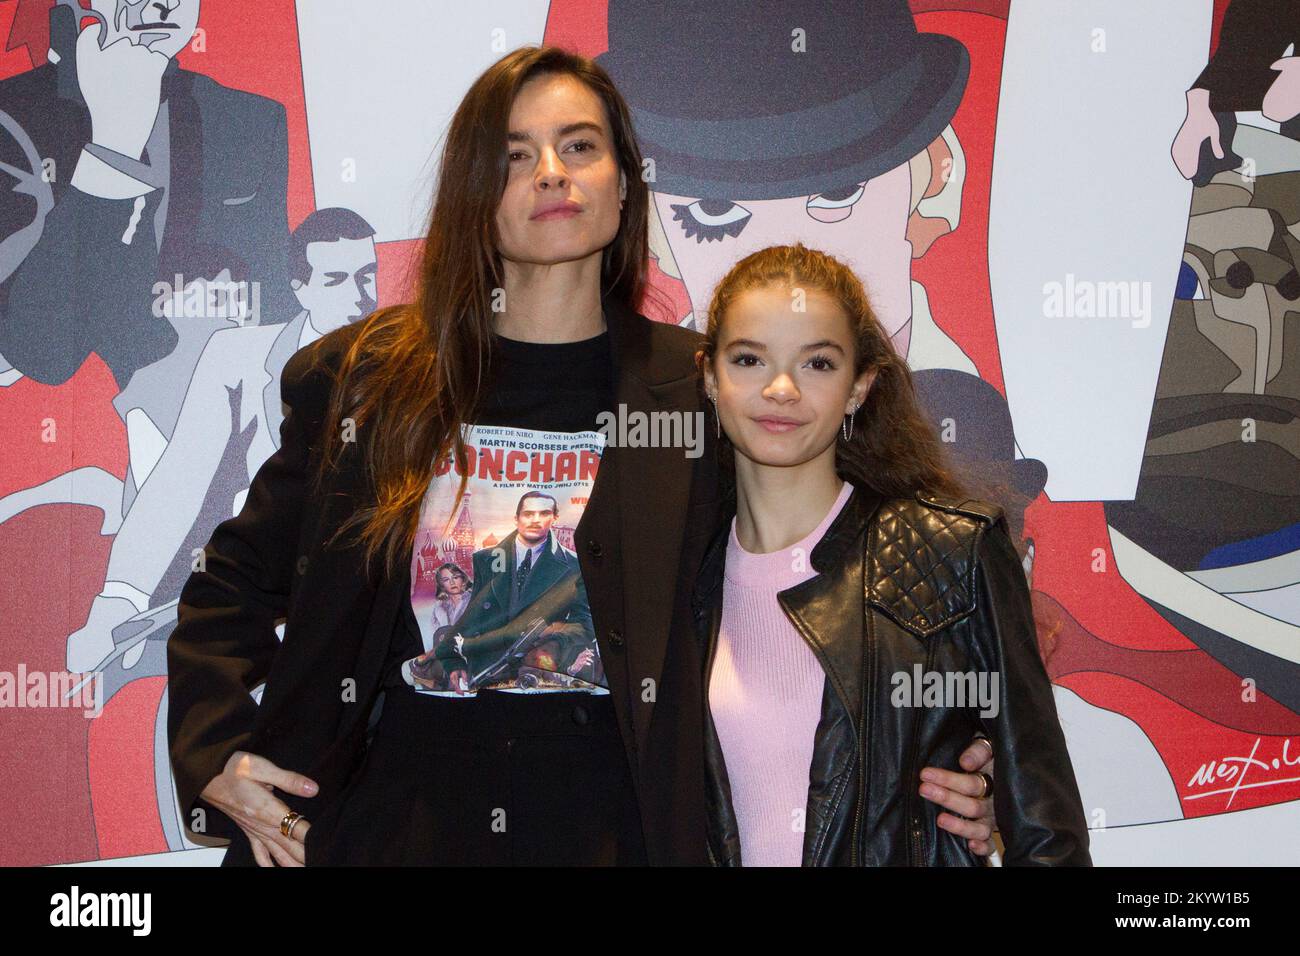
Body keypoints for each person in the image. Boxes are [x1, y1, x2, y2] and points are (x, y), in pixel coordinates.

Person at [167, 45, 998, 867]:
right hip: (390, 824)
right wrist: (214, 756)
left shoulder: (701, 385)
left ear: (626, 182)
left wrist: (956, 747)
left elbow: (854, 563)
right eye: (515, 156)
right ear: (473, 194)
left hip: (622, 824)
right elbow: (228, 584)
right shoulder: (367, 381)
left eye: (579, 147)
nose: (552, 174)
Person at [695, 242, 1091, 865]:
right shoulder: (676, 575)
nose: (780, 389)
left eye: (817, 364)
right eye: (749, 359)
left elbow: (1047, 833)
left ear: (860, 387)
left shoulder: (952, 551)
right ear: (709, 378)